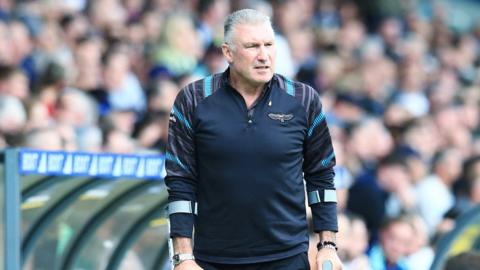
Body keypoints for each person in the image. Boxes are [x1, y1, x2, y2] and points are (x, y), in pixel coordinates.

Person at [165, 9, 342, 270]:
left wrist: (327, 245)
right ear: (228, 53)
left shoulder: (304, 100)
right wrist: (182, 256)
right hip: (213, 259)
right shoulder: (192, 99)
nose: (263, 56)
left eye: (269, 45)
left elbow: (321, 175)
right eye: (252, 46)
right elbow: (180, 181)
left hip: (287, 258)